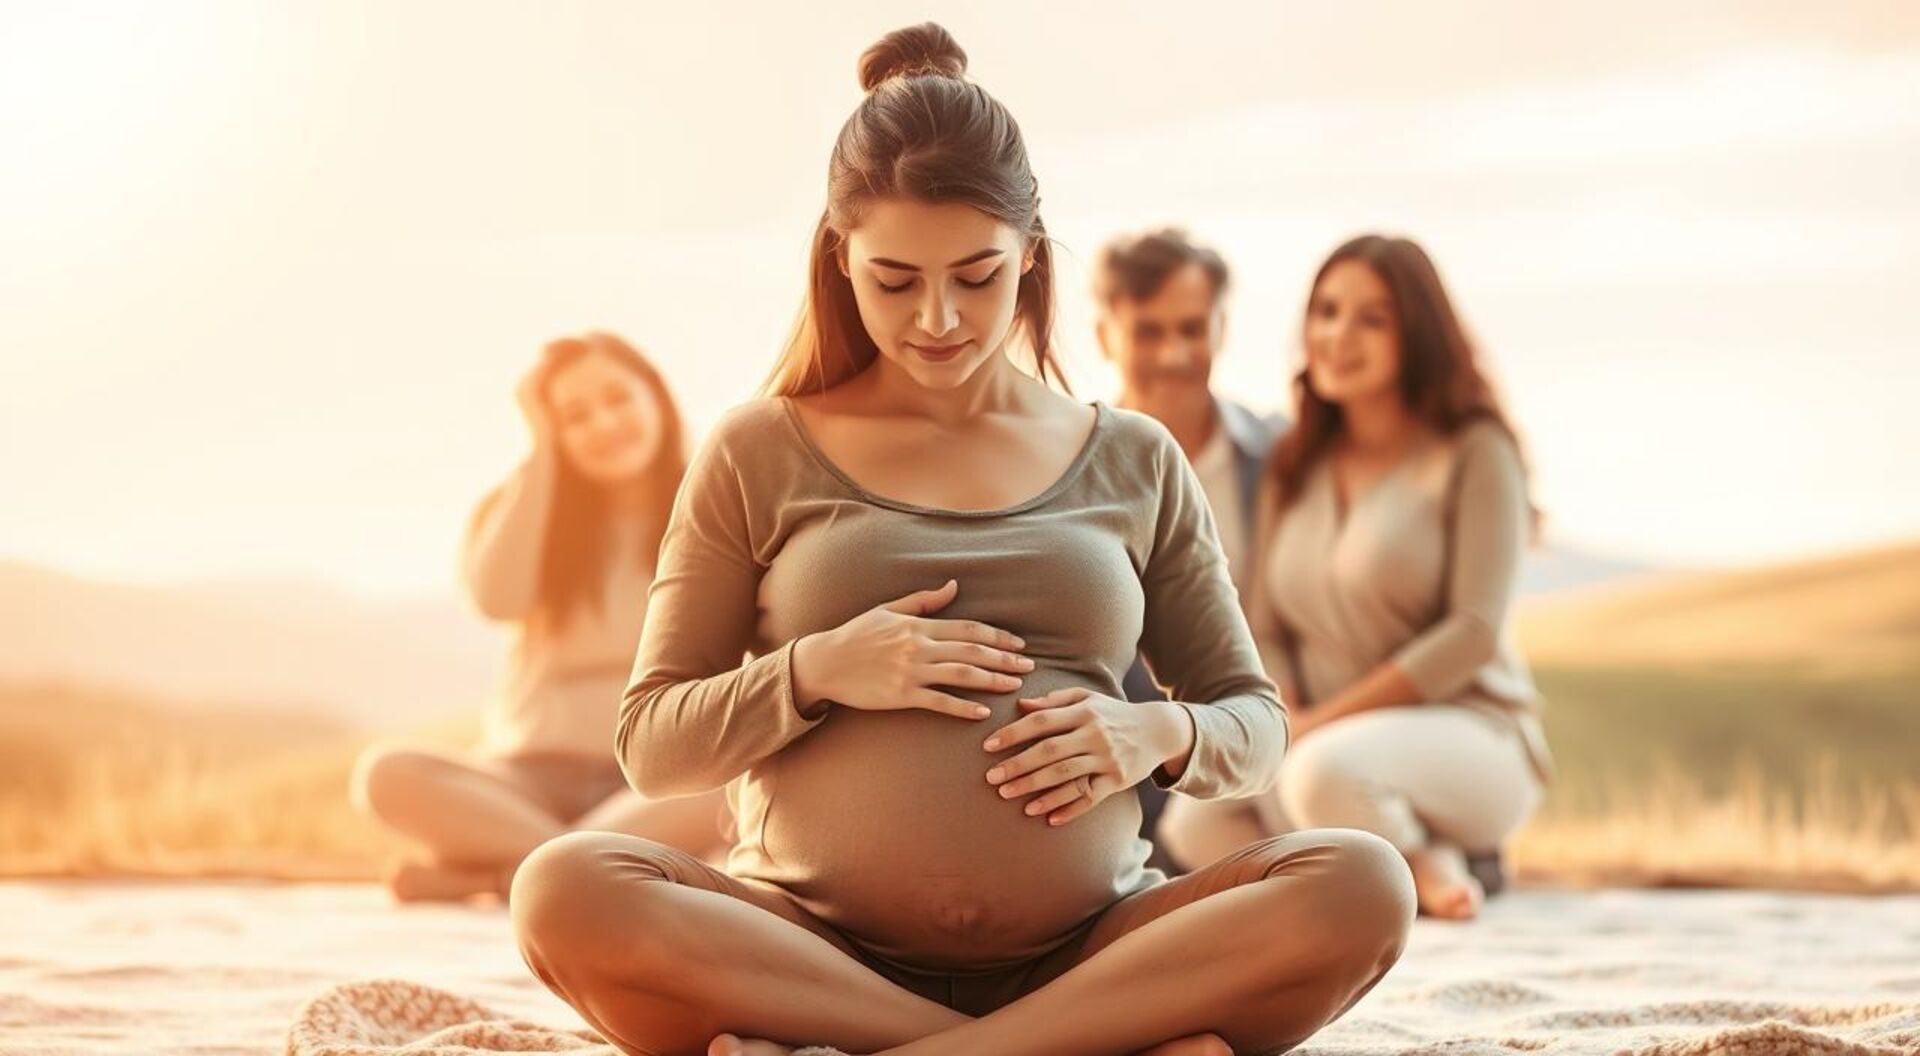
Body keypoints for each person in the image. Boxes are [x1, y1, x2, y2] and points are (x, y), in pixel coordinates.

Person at [508, 26, 1412, 1056]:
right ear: (838, 259)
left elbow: (1253, 723)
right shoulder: (760, 448)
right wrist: (818, 669)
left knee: (1361, 883)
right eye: (895, 281)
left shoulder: (1132, 457)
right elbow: (654, 741)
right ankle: (1068, 1045)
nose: (938, 318)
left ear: (1031, 255)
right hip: (809, 949)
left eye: (977, 277)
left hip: (1094, 948)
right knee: (565, 888)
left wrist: (1155, 737)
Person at [1161, 235, 1554, 920]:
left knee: (1321, 775)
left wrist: (1312, 728)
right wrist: (1281, 718)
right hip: (1321, 738)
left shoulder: (1476, 450)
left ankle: (1416, 854)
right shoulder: (1296, 461)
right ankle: (1409, 855)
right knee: (1194, 823)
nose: (1339, 336)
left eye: (1373, 319)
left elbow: (1473, 632)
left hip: (1471, 735)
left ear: (1418, 336)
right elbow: (1266, 625)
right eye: (1328, 311)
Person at [350, 332, 729, 903]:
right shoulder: (524, 506)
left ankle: (505, 876)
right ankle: (580, 866)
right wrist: (542, 454)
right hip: (525, 782)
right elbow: (496, 599)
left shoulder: (720, 507)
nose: (603, 424)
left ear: (656, 398)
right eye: (574, 417)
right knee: (385, 775)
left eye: (618, 399)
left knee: (740, 784)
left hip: (654, 780)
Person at [1091, 228, 1283, 865]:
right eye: (1149, 331)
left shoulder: (1279, 458)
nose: (1174, 354)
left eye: (1193, 329)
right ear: (1105, 336)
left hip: (1265, 718)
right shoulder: (1072, 471)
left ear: (1220, 331)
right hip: (1131, 742)